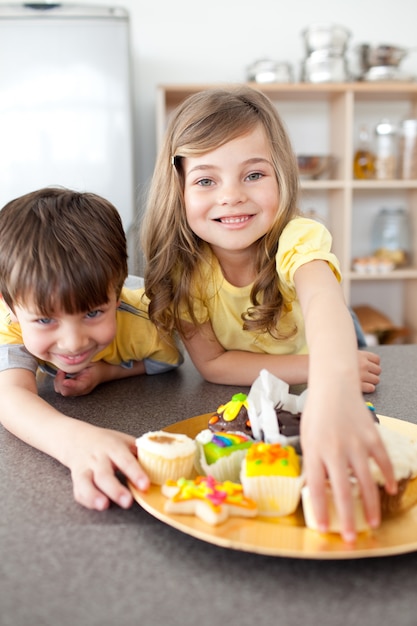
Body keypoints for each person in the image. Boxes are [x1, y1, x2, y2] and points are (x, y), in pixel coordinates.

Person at [140, 86, 397, 542]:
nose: (232, 196)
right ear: (177, 186)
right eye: (206, 180)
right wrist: (316, 369)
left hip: (333, 344)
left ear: (282, 175)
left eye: (253, 174)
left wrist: (333, 384)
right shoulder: (182, 271)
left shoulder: (299, 238)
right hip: (306, 365)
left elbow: (323, 301)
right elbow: (215, 365)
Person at [0, 187, 183, 511]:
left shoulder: (146, 324)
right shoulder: (11, 322)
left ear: (116, 294)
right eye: (45, 320)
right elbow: (10, 396)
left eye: (93, 313)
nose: (73, 342)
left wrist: (105, 371)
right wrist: (74, 442)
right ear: (11, 307)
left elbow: (165, 362)